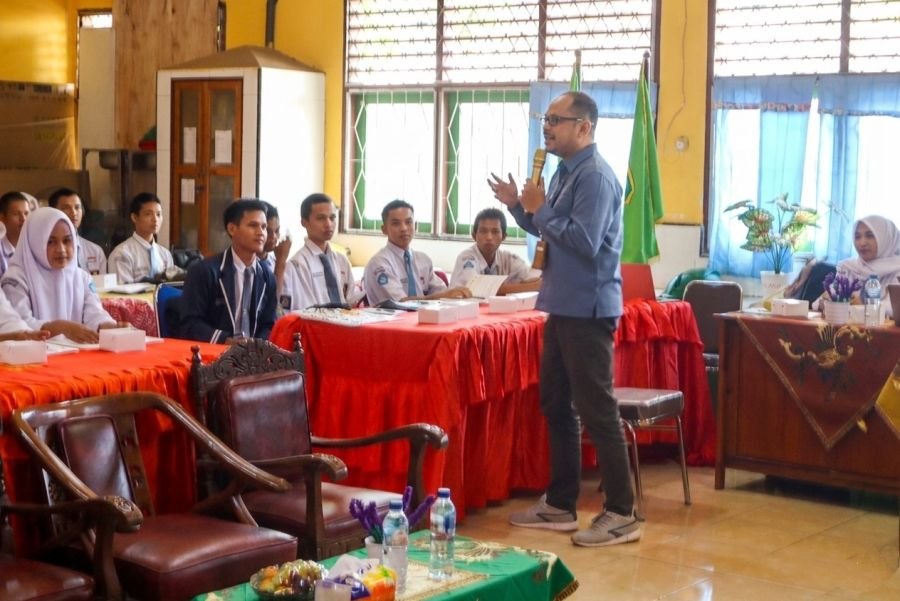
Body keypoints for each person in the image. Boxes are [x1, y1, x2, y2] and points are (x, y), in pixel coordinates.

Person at [488, 91, 638, 547]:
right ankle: (560, 503)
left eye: (557, 119)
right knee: (556, 403)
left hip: (588, 309)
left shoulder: (594, 177)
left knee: (597, 409)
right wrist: (519, 206)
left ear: (584, 127)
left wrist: (538, 208)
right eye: (545, 118)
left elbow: (584, 241)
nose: (547, 127)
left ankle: (622, 513)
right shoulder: (563, 172)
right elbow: (547, 229)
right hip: (561, 304)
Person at [0, 207, 124, 343]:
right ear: (34, 242)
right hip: (37, 353)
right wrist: (59, 328)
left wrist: (108, 326)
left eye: (66, 241)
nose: (61, 249)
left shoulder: (81, 277)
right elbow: (17, 325)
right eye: (50, 242)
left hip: (77, 352)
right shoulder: (16, 278)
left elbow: (94, 314)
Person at [179, 199, 277, 344]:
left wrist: (257, 345)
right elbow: (190, 324)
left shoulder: (267, 275)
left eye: (264, 227)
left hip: (254, 358)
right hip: (214, 354)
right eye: (253, 225)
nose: (261, 232)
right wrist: (226, 341)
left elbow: (269, 324)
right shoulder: (204, 271)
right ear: (232, 229)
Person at [363, 199, 471, 306]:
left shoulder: (423, 260)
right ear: (384, 229)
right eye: (396, 224)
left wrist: (453, 294)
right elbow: (401, 303)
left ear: (416, 226)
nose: (404, 228)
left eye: (408, 222)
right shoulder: (379, 263)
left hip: (424, 319)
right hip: (391, 321)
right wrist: (442, 296)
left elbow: (441, 292)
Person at [282, 193, 358, 309]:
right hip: (314, 325)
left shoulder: (341, 260)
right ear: (304, 222)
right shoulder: (296, 266)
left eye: (332, 218)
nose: (328, 224)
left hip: (345, 323)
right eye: (321, 218)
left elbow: (352, 301)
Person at [449, 207, 541, 295]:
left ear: (503, 237)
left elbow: (532, 278)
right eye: (483, 231)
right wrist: (530, 287)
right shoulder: (467, 258)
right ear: (474, 236)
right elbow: (476, 288)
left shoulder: (508, 259)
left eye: (495, 232)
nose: (489, 237)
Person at [836, 215, 900, 318]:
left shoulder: (897, 269)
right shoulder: (847, 267)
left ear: (886, 238)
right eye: (857, 237)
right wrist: (828, 299)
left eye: (870, 236)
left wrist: (863, 307)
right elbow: (824, 301)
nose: (862, 243)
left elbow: (894, 309)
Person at [108, 192, 180, 283]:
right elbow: (123, 292)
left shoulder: (165, 254)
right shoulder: (121, 253)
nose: (155, 219)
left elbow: (170, 286)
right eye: (148, 214)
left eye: (158, 214)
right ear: (134, 217)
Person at [48, 187, 107, 275]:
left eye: (77, 207)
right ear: (53, 211)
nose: (74, 213)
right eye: (66, 208)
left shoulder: (95, 251)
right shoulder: (46, 250)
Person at [256, 201, 291, 295]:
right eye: (268, 230)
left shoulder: (274, 260)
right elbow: (271, 304)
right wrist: (281, 262)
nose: (274, 237)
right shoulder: (247, 264)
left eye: (277, 231)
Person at [0, 191, 31, 277]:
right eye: (16, 214)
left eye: (26, 213)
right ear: (2, 218)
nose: (23, 219)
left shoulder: (35, 246)